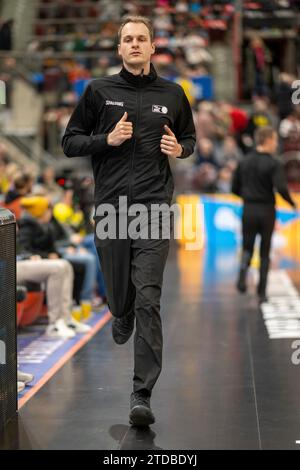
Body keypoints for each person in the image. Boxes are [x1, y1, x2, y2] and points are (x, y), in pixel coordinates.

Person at [62, 15, 196, 426]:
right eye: (128, 39)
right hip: (111, 208)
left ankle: (141, 393)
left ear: (153, 47)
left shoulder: (173, 93)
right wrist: (108, 140)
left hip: (155, 208)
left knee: (149, 299)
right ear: (119, 49)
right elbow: (70, 142)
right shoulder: (98, 91)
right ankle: (118, 310)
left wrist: (181, 148)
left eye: (142, 39)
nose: (135, 44)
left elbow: (189, 138)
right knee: (122, 300)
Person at [232, 126, 297, 304]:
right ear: (267, 140)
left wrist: (247, 196)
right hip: (267, 210)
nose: (276, 144)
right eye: (275, 140)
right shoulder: (274, 163)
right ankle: (262, 292)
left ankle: (242, 276)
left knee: (247, 247)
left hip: (249, 209)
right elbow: (282, 188)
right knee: (265, 252)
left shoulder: (244, 161)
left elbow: (234, 188)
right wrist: (292, 203)